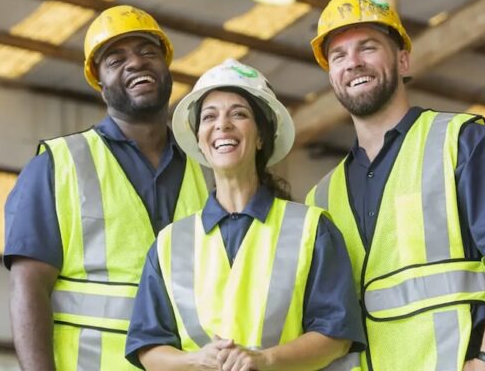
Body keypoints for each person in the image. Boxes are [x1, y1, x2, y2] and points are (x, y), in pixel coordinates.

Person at [305, 0, 485, 371]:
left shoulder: (464, 143)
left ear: (403, 61)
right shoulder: (319, 199)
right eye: (338, 56)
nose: (352, 63)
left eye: (367, 48)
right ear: (332, 77)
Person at [4, 5, 211, 370]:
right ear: (99, 84)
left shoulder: (205, 169)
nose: (135, 63)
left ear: (168, 67)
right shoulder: (59, 164)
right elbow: (28, 285)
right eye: (115, 60)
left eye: (148, 52)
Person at [125, 59, 366, 370]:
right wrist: (195, 360)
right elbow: (148, 348)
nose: (222, 125)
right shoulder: (169, 244)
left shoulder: (311, 229)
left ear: (261, 136)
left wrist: (265, 360)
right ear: (200, 139)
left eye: (238, 114)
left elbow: (336, 336)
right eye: (209, 117)